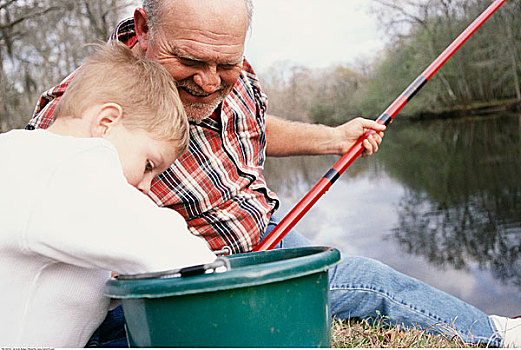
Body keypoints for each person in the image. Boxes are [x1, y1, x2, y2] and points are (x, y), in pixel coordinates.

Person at [26, 0, 520, 347]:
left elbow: (252, 123)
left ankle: (494, 334)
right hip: (193, 287)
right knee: (367, 283)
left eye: (227, 64)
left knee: (373, 278)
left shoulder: (221, 56)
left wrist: (333, 137)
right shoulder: (81, 112)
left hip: (269, 235)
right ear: (144, 26)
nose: (209, 80)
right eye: (192, 61)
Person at [0, 43, 216, 348]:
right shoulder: (66, 166)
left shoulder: (24, 160)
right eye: (148, 165)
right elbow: (176, 252)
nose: (146, 186)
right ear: (106, 123)